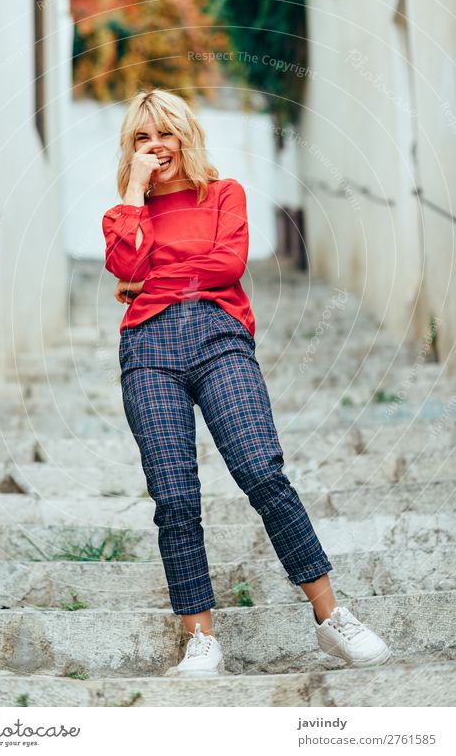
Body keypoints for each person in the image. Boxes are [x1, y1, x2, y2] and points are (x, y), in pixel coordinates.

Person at [102, 88, 391, 678]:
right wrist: (133, 195)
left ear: (187, 134)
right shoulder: (123, 214)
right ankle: (202, 639)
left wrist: (152, 276)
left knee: (263, 471)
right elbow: (126, 267)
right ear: (131, 150)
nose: (157, 146)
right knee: (175, 498)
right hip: (148, 352)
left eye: (166, 132)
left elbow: (227, 265)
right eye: (142, 137)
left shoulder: (223, 194)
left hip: (220, 337)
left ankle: (333, 619)